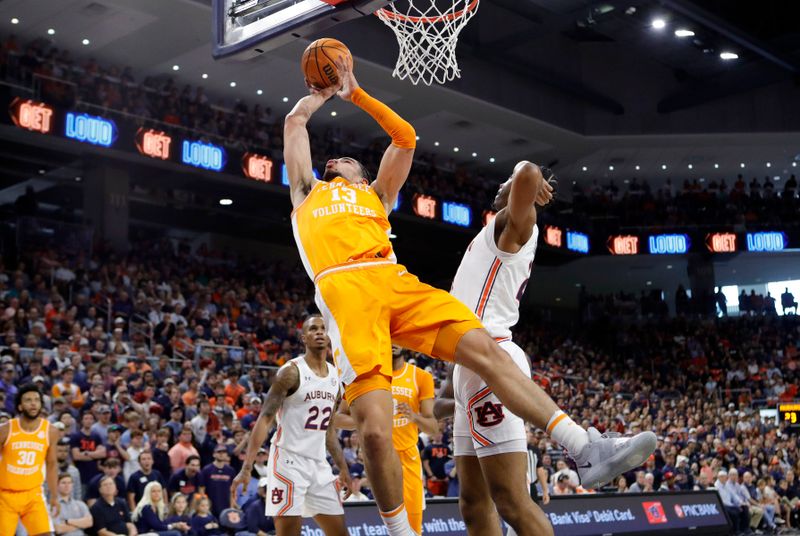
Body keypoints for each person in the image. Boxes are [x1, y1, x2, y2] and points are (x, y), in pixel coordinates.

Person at [284, 57, 656, 534]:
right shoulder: (306, 191)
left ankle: (585, 448)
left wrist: (355, 93)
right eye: (332, 162)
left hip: (393, 278)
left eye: (348, 161)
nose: (337, 162)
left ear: (362, 173)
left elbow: (405, 139)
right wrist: (319, 95)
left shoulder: (376, 196)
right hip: (345, 291)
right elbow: (295, 122)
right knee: (377, 433)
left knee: (484, 347)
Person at [433, 161, 655, 535]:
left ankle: (586, 448)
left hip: (491, 356)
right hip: (469, 363)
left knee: (512, 502)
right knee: (473, 503)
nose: (503, 185)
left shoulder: (516, 229)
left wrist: (529, 181)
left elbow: (526, 171)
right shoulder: (492, 231)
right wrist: (448, 389)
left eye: (509, 185)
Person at [231, 316, 350, 536]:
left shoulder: (336, 376)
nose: (320, 332)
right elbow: (265, 419)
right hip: (288, 461)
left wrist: (343, 468)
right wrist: (247, 467)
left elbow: (329, 429)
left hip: (319, 465)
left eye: (323, 328)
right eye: (313, 329)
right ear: (304, 338)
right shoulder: (291, 372)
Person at [336, 346, 438, 534]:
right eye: (389, 337)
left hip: (408, 458)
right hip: (379, 459)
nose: (393, 343)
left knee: (414, 527)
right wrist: (365, 421)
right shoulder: (363, 375)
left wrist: (414, 417)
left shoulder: (421, 377)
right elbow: (338, 418)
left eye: (397, 338)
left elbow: (432, 427)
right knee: (389, 526)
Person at [0, 384, 60, 536]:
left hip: (33, 494)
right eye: (28, 400)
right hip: (4, 495)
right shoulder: (6, 429)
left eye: (36, 400)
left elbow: (52, 465)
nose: (33, 403)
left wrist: (54, 496)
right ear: (20, 406)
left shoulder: (51, 431)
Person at [199, 444, 237, 517]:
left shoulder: (231, 470)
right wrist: (204, 506)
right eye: (219, 452)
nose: (221, 454)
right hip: (210, 506)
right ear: (214, 454)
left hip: (226, 506)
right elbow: (201, 489)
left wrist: (232, 507)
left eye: (224, 452)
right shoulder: (206, 470)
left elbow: (233, 490)